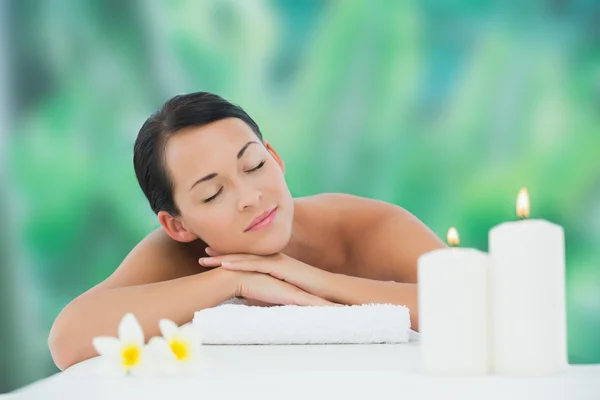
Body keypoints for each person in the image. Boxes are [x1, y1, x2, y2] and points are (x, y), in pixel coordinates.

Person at [48, 92, 446, 370]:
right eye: (213, 193)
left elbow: (481, 300)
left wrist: (314, 280)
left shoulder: (365, 226)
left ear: (274, 157)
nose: (249, 197)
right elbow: (67, 339)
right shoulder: (175, 253)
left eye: (254, 165)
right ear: (178, 224)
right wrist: (234, 281)